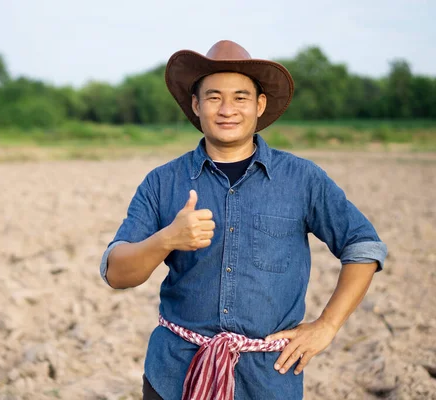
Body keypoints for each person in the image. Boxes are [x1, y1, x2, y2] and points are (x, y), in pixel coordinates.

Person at [99, 40, 387, 400]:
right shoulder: (162, 182)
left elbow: (363, 245)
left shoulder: (302, 179)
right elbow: (117, 273)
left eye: (240, 97)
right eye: (214, 97)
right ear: (196, 104)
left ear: (259, 105)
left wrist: (327, 326)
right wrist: (167, 239)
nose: (227, 109)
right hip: (174, 374)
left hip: (268, 380)